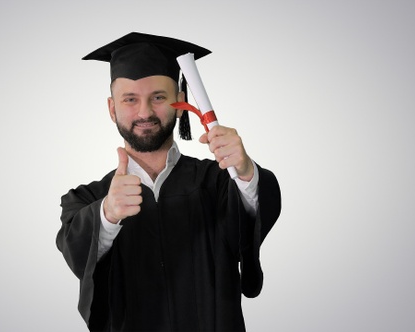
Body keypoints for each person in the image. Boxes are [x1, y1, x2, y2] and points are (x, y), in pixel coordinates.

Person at [56, 32, 281, 331]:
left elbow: (252, 220)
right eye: (130, 99)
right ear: (112, 109)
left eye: (158, 97)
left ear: (180, 101)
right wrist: (107, 215)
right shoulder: (88, 200)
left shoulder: (217, 182)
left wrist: (244, 169)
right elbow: (75, 252)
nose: (145, 112)